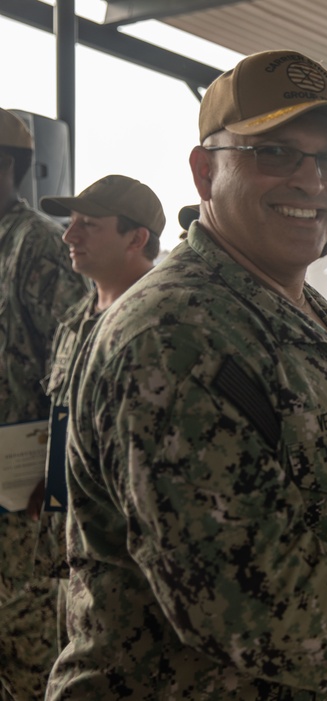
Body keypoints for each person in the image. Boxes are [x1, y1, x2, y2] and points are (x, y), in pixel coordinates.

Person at [47, 49, 327, 700]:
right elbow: (252, 604)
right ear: (205, 171)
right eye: (274, 152)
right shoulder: (172, 337)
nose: (312, 181)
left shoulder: (317, 316)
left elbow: (318, 479)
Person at [29, 173, 164, 594]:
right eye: (71, 221)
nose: (69, 235)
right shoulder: (76, 320)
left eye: (88, 224)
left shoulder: (160, 325)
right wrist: (48, 480)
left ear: (136, 238)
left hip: (127, 571)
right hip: (72, 553)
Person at [0, 108, 89, 701]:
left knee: (28, 660)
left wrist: (55, 479)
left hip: (21, 503)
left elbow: (82, 366)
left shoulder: (36, 245)